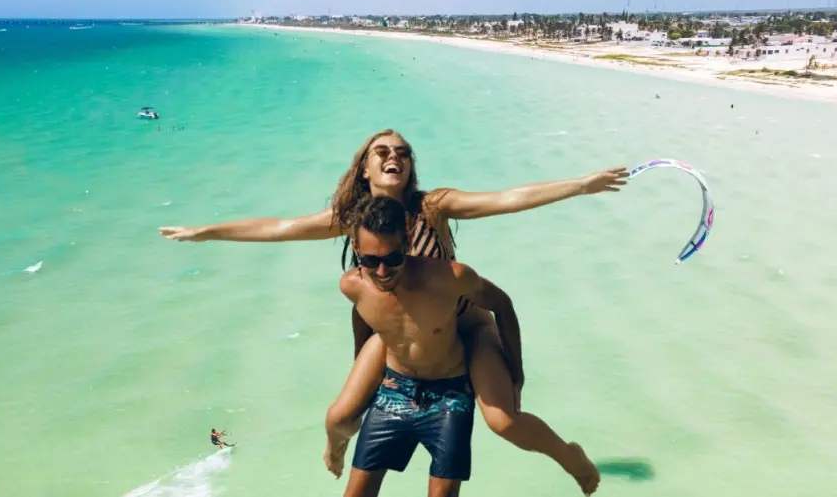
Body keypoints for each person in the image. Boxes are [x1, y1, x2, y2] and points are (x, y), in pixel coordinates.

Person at [159, 129, 625, 494]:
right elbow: (280, 228)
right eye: (381, 151)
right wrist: (207, 232)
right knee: (339, 416)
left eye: (401, 151)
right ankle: (337, 451)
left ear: (409, 166)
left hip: (464, 325)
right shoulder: (352, 221)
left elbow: (506, 198)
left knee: (503, 421)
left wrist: (581, 185)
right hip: (400, 333)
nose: (392, 157)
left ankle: (571, 458)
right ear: (364, 168)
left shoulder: (434, 206)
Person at [335, 195, 598, 497]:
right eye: (370, 261)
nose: (382, 272)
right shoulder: (352, 286)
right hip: (396, 390)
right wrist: (361, 366)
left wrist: (516, 373)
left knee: (499, 428)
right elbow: (363, 317)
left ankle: (571, 459)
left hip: (450, 395)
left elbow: (502, 303)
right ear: (357, 249)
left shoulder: (450, 278)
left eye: (392, 258)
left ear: (407, 243)